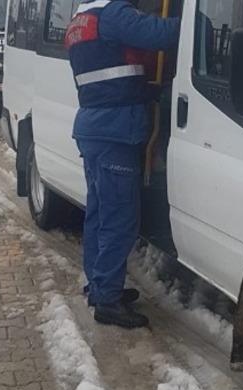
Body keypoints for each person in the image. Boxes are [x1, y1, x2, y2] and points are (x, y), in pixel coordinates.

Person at [65, 0, 180, 329]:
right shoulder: (112, 14)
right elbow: (163, 34)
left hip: (94, 126)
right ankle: (108, 301)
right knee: (120, 218)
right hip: (115, 130)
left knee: (99, 214)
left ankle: (99, 286)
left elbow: (109, 72)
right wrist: (201, 20)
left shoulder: (80, 20)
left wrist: (145, 88)